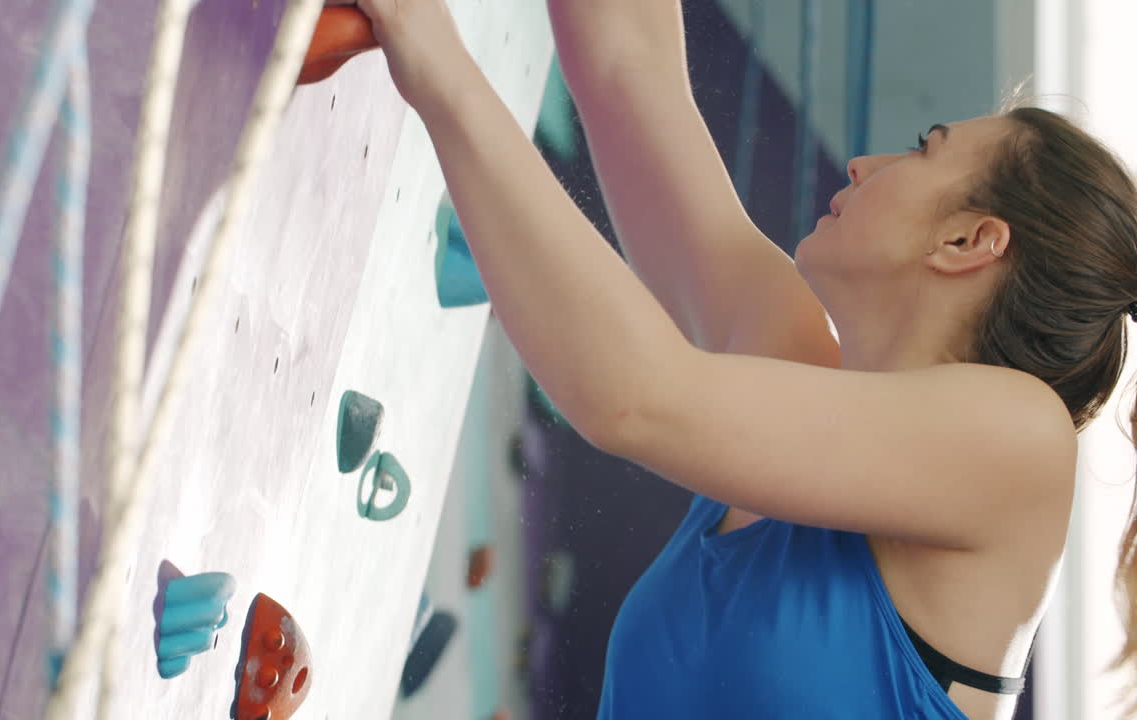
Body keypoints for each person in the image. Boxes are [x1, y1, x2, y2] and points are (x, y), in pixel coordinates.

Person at [338, 0, 1137, 717]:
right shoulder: (790, 371)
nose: (863, 165)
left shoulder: (1021, 442)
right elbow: (629, 68)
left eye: (921, 150)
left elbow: (633, 400)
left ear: (969, 241)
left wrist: (430, 51)